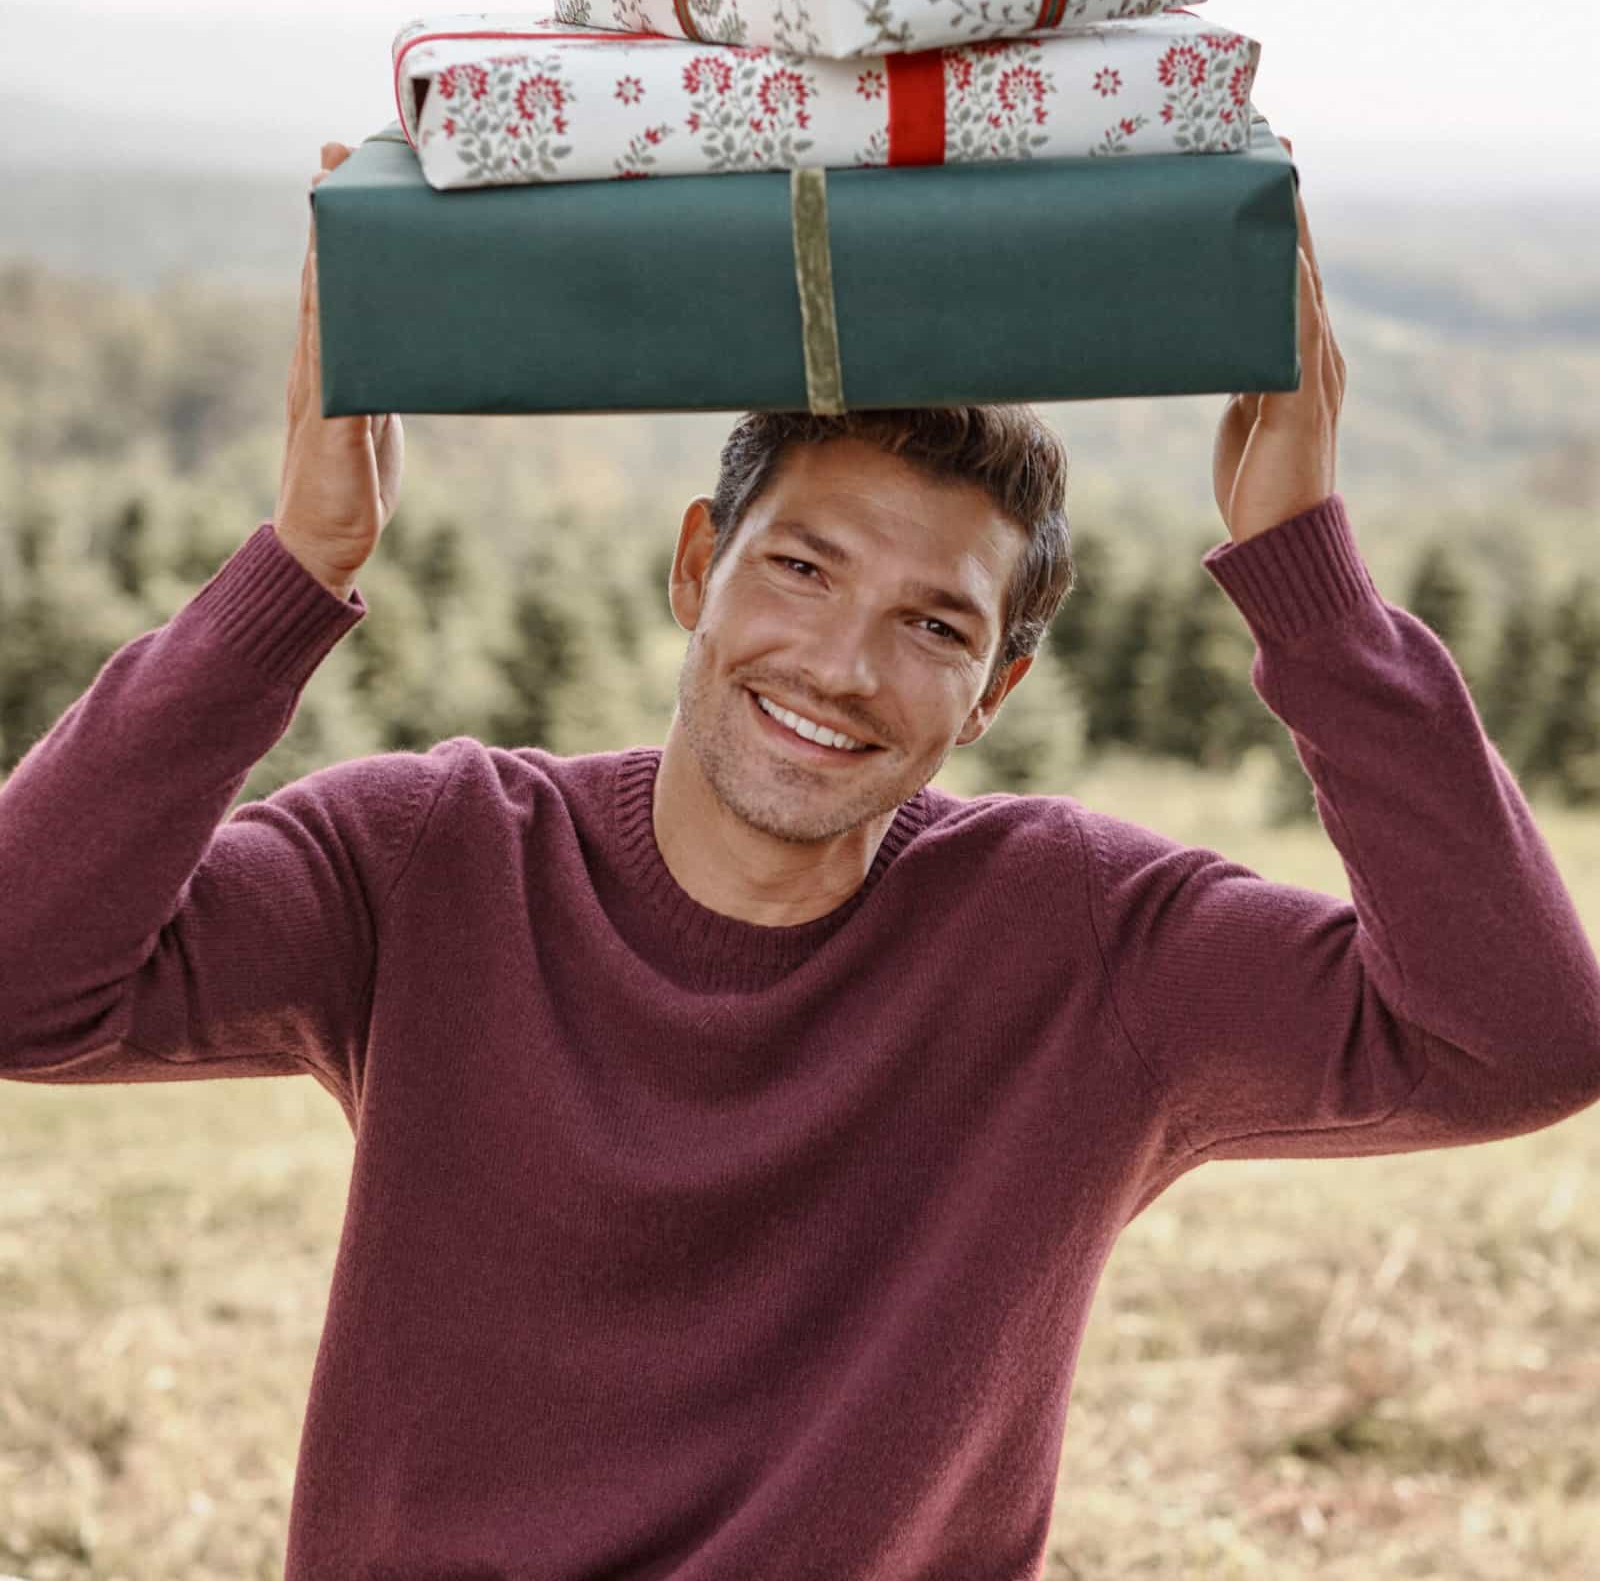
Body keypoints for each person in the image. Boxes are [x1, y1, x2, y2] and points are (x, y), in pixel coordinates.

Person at [2, 139, 1598, 1581]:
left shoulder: (1080, 938)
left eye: (933, 625)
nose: (841, 665)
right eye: (804, 569)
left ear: (998, 694)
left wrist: (1307, 582)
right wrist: (295, 571)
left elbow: (1517, 1039)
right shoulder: (437, 857)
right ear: (701, 567)